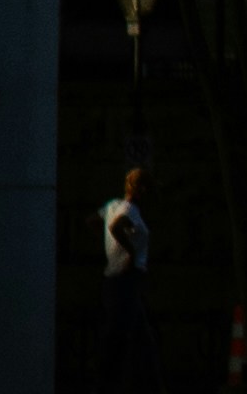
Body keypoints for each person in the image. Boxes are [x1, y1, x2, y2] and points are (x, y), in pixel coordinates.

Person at [95, 157, 156, 388]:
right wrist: (129, 251)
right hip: (126, 280)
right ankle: (110, 384)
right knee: (122, 338)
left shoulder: (112, 206)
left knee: (139, 337)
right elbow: (116, 226)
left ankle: (148, 384)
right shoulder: (129, 210)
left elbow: (96, 220)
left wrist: (110, 247)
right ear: (141, 190)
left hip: (118, 280)